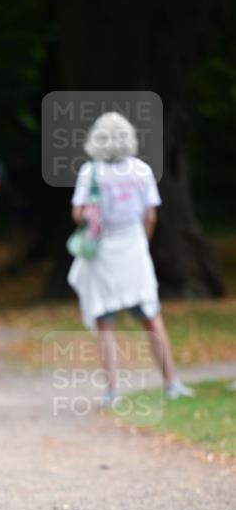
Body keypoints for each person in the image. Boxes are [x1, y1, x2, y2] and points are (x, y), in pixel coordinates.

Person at [68, 112, 194, 406]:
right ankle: (171, 382)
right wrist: (142, 243)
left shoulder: (90, 172)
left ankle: (112, 390)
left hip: (102, 251)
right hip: (134, 247)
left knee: (104, 322)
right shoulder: (141, 170)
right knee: (151, 317)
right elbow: (150, 216)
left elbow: (78, 214)